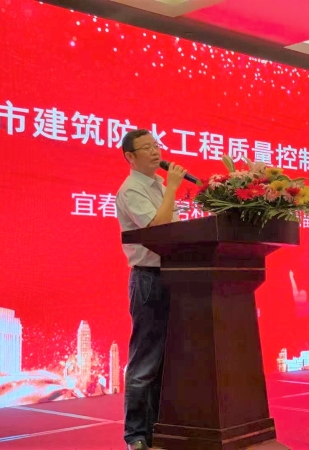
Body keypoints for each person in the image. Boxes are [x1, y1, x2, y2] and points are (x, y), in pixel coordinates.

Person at [115, 129, 187, 450]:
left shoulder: (157, 184)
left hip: (174, 275)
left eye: (156, 145)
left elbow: (176, 229)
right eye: (146, 148)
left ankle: (158, 428)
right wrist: (172, 188)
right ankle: (136, 435)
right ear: (130, 157)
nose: (155, 152)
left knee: (165, 361)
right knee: (145, 360)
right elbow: (158, 230)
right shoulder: (131, 189)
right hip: (148, 279)